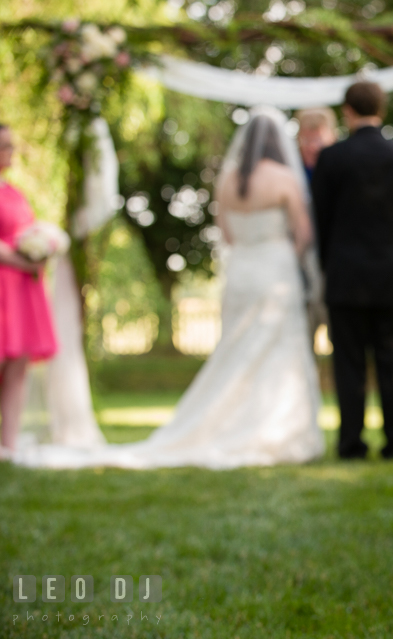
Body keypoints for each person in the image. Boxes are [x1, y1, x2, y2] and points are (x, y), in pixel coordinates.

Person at [16, 109, 324, 469]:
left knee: (237, 350)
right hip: (275, 272)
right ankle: (275, 428)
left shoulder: (228, 180)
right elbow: (303, 235)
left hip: (242, 272)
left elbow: (226, 234)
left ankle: (232, 424)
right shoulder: (285, 179)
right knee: (276, 350)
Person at [311, 82, 393, 460]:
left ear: (347, 111)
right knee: (392, 361)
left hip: (344, 275)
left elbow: (320, 221)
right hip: (391, 274)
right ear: (382, 108)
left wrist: (333, 263)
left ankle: (351, 444)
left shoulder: (331, 159)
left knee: (349, 364)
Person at [0, 123, 57, 457]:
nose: (9, 150)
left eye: (10, 144)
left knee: (18, 366)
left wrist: (41, 250)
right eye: (3, 144)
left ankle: (8, 447)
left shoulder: (14, 192)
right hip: (4, 284)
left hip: (23, 290)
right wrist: (22, 261)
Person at [295, 107, 338, 183]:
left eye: (319, 141)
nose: (312, 147)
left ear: (333, 138)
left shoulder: (341, 170)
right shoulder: (293, 170)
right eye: (306, 140)